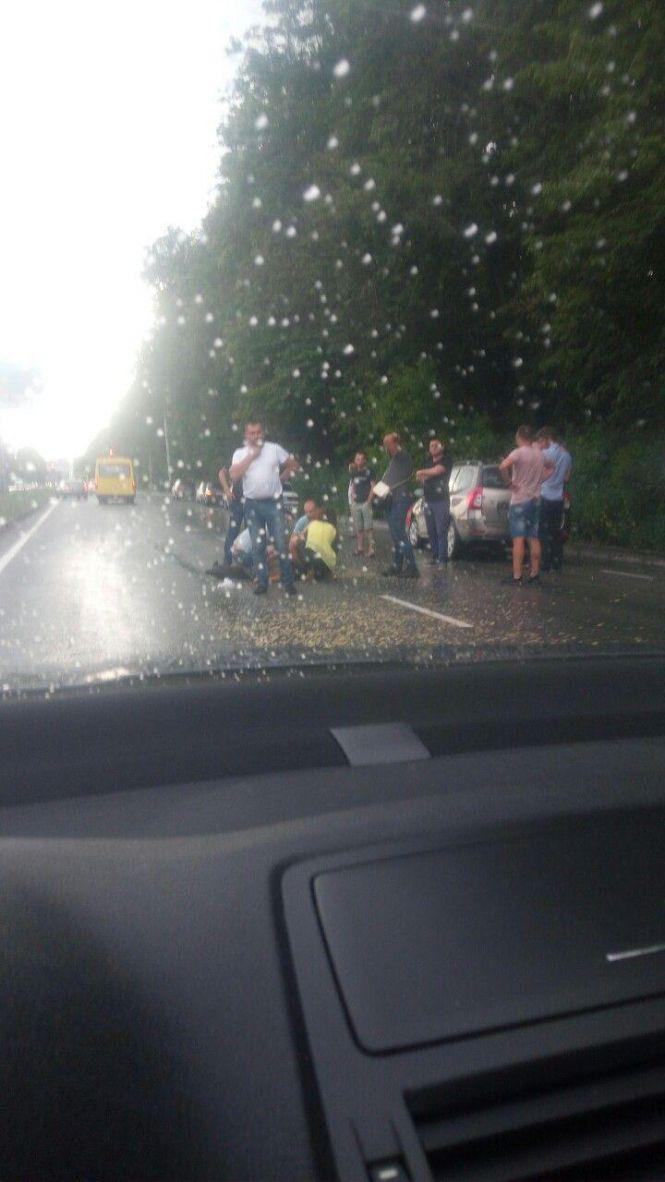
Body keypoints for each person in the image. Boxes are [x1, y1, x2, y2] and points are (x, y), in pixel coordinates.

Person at [229, 420, 299, 596]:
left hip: (273, 502)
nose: (256, 436)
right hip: (251, 504)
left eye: (258, 432)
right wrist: (252, 456)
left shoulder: (274, 448)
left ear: (263, 433)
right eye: (252, 433)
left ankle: (288, 582)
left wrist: (281, 479)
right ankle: (262, 582)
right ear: (246, 435)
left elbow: (294, 464)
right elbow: (234, 474)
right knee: (257, 545)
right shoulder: (240, 453)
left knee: (281, 544)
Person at [499, 425, 554, 585]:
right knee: (534, 538)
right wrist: (541, 479)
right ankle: (535, 574)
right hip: (536, 500)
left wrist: (509, 483)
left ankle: (517, 575)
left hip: (519, 500)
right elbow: (552, 467)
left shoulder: (518, 453)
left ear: (519, 437)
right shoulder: (540, 454)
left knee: (518, 540)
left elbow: (503, 466)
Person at [370, 432, 418, 578]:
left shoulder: (402, 457)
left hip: (400, 499)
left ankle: (412, 567)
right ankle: (397, 565)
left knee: (399, 533)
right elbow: (386, 482)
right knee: (395, 534)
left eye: (388, 444)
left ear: (396, 444)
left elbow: (395, 447)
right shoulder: (393, 462)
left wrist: (393, 438)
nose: (386, 448)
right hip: (391, 500)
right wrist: (372, 496)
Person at [536, 427, 572, 573]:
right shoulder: (567, 455)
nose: (540, 444)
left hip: (545, 496)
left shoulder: (545, 453)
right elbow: (566, 478)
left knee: (544, 533)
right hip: (558, 498)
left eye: (540, 440)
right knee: (556, 532)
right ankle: (557, 565)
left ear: (546, 438)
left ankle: (545, 565)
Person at [415, 439, 453, 567]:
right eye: (431, 445)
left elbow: (437, 471)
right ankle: (435, 555)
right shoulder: (427, 462)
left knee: (441, 530)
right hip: (428, 500)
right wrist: (423, 475)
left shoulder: (446, 460)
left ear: (442, 447)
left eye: (436, 445)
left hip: (441, 500)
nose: (434, 447)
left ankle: (442, 559)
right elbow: (422, 479)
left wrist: (423, 473)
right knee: (431, 530)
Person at [348, 452, 375, 557]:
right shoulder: (353, 472)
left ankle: (371, 550)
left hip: (365, 502)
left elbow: (373, 486)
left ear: (364, 461)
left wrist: (369, 500)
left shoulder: (369, 472)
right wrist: (353, 496)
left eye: (361, 459)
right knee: (358, 527)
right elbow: (353, 484)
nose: (358, 461)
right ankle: (360, 549)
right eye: (357, 459)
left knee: (368, 527)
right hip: (356, 503)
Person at [300, 506, 338, 580]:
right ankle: (331, 571)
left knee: (300, 543)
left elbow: (301, 536)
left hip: (311, 556)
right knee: (332, 546)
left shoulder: (312, 523)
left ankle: (310, 570)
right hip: (327, 559)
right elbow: (335, 544)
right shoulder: (333, 529)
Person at [218, 464, 244, 566]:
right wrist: (227, 490)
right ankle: (227, 560)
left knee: (251, 533)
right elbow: (221, 473)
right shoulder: (237, 454)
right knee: (233, 531)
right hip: (237, 500)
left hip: (253, 500)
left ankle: (249, 562)